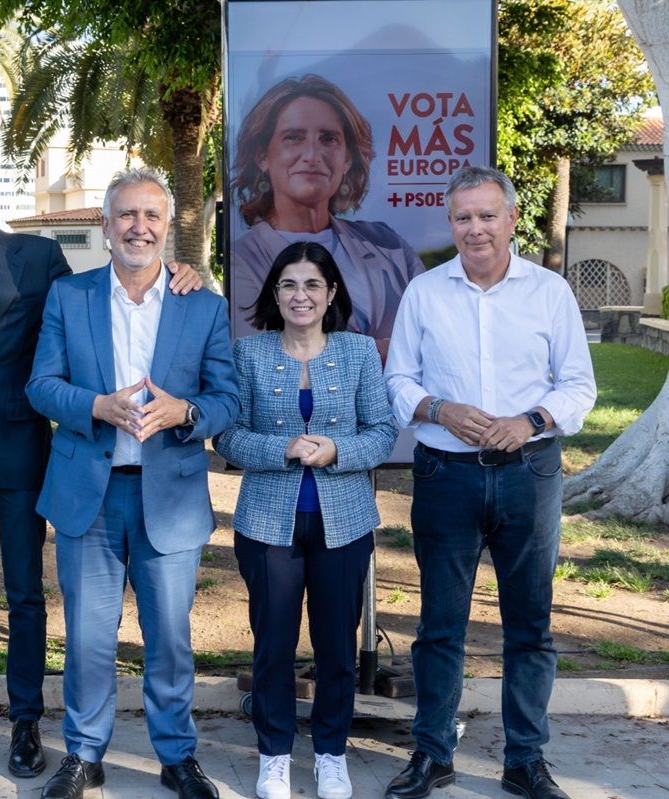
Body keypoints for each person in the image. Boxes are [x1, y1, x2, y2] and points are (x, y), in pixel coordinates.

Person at [0, 143, 200, 778]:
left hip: (20, 445)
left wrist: (184, 272)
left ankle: (27, 721)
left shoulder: (36, 257)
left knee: (24, 594)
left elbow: (105, 298)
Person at [383, 166, 597, 799]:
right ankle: (433, 756)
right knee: (440, 626)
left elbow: (580, 387)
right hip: (444, 474)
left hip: (529, 475)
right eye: (462, 218)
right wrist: (439, 410)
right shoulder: (424, 291)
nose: (474, 228)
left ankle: (524, 761)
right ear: (450, 225)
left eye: (486, 215)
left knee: (529, 625)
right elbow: (399, 381)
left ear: (510, 219)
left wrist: (530, 421)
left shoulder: (550, 291)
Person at [26, 168, 238, 799]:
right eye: (125, 215)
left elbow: (226, 397)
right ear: (105, 224)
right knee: (88, 639)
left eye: (151, 216)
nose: (138, 227)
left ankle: (176, 756)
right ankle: (83, 756)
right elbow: (41, 384)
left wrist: (187, 413)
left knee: (169, 638)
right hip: (88, 495)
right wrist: (95, 406)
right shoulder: (71, 296)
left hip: (168, 493)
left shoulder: (203, 304)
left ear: (167, 225)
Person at [215, 242, 397, 799]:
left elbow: (383, 431)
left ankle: (331, 754)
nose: (301, 295)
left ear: (332, 293)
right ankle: (273, 755)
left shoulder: (360, 351)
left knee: (337, 645)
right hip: (269, 522)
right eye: (290, 285)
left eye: (312, 285)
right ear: (275, 293)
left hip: (344, 523)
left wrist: (336, 450)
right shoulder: (248, 354)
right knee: (272, 642)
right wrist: (286, 448)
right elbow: (227, 435)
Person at [229, 74, 425, 355]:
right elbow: (267, 360)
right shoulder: (242, 262)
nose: (312, 154)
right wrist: (387, 351)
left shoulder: (388, 246)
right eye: (294, 138)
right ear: (262, 156)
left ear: (347, 158)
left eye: (328, 139)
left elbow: (431, 340)